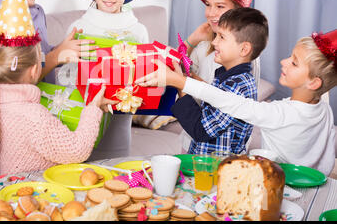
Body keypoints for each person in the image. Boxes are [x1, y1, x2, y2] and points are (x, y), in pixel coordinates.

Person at [0, 0, 115, 175]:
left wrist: (60, 50)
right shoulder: (33, 118)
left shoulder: (0, 106)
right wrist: (94, 107)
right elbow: (76, 150)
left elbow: (24, 64)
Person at [136, 29, 336, 176]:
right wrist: (190, 76)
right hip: (312, 184)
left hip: (278, 186)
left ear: (314, 82)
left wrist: (179, 81)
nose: (283, 61)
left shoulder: (279, 113)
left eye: (294, 62)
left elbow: (230, 102)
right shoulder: (323, 108)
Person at [140, 7, 269, 155]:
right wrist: (186, 77)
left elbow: (201, 129)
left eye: (221, 37)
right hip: (205, 165)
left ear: (244, 49)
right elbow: (211, 98)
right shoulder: (228, 77)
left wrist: (180, 83)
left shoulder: (237, 86)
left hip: (217, 171)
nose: (214, 42)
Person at [62, 0, 149, 160]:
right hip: (82, 120)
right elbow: (64, 75)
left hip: (121, 123)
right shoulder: (79, 28)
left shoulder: (138, 31)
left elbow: (146, 76)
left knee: (117, 175)